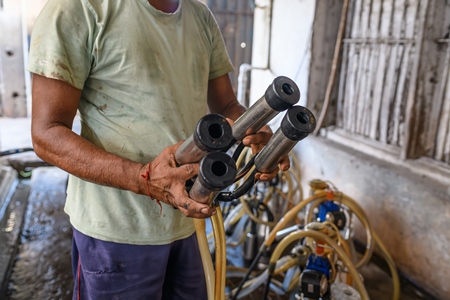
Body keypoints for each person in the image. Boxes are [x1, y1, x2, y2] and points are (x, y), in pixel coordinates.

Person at [28, 0, 289, 299]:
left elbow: (227, 106)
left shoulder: (199, 15)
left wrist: (256, 131)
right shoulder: (78, 8)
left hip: (189, 222)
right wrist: (144, 178)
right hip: (117, 232)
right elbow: (46, 134)